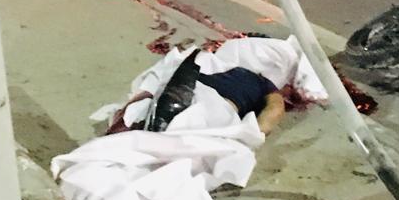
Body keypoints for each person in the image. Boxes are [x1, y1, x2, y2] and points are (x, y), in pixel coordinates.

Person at [108, 49, 286, 136]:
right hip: (216, 103)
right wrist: (252, 134)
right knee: (199, 124)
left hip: (194, 89)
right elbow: (276, 109)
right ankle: (167, 124)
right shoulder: (262, 82)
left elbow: (276, 109)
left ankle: (162, 120)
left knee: (153, 111)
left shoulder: (220, 66)